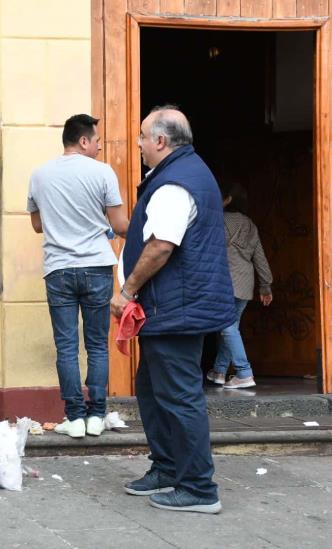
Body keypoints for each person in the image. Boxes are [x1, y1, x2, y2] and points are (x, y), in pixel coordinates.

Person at [110, 106, 236, 514]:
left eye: (143, 137)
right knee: (153, 391)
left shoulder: (175, 183)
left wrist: (127, 291)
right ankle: (167, 468)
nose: (140, 144)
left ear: (161, 141)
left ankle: (199, 488)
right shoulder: (186, 172)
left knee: (180, 398)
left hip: (175, 310)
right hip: (174, 308)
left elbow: (162, 245)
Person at [27, 114, 128, 438]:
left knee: (66, 347)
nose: (99, 146)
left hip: (58, 268)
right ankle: (97, 414)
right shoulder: (102, 173)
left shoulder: (39, 174)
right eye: (96, 140)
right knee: (97, 345)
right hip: (97, 265)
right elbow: (121, 224)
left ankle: (74, 418)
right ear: (83, 141)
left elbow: (37, 225)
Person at [206, 183, 273, 389]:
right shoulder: (251, 225)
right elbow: (259, 257)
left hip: (224, 282)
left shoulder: (217, 220)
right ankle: (219, 371)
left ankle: (244, 372)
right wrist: (265, 286)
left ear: (227, 200)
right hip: (245, 283)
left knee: (227, 328)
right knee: (231, 327)